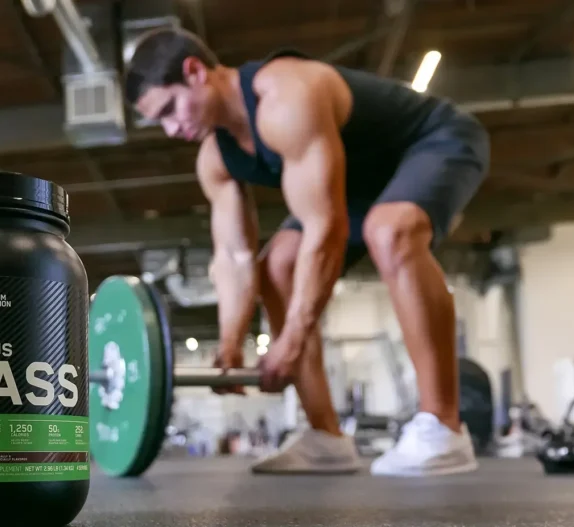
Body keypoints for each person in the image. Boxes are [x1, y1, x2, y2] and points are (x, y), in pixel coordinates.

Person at [123, 28, 490, 477]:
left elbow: (327, 228)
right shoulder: (215, 159)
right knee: (278, 265)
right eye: (159, 121)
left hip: (433, 142)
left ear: (195, 71)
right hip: (358, 184)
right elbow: (235, 257)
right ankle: (325, 437)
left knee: (389, 231)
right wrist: (231, 344)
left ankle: (443, 428)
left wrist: (292, 340)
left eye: (169, 109)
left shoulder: (286, 95)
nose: (171, 129)